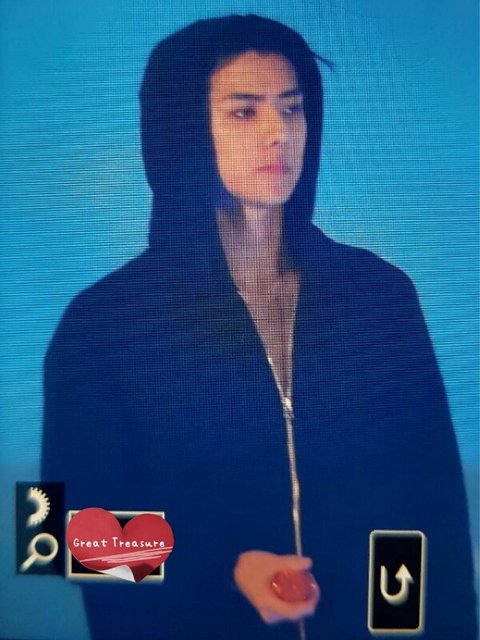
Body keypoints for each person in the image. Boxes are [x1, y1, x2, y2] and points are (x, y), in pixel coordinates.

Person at [41, 14, 477, 639]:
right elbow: (56, 536)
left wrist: (417, 628)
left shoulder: (380, 298)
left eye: (292, 110)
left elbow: (431, 511)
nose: (279, 134)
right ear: (185, 130)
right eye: (245, 112)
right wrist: (222, 571)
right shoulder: (103, 325)